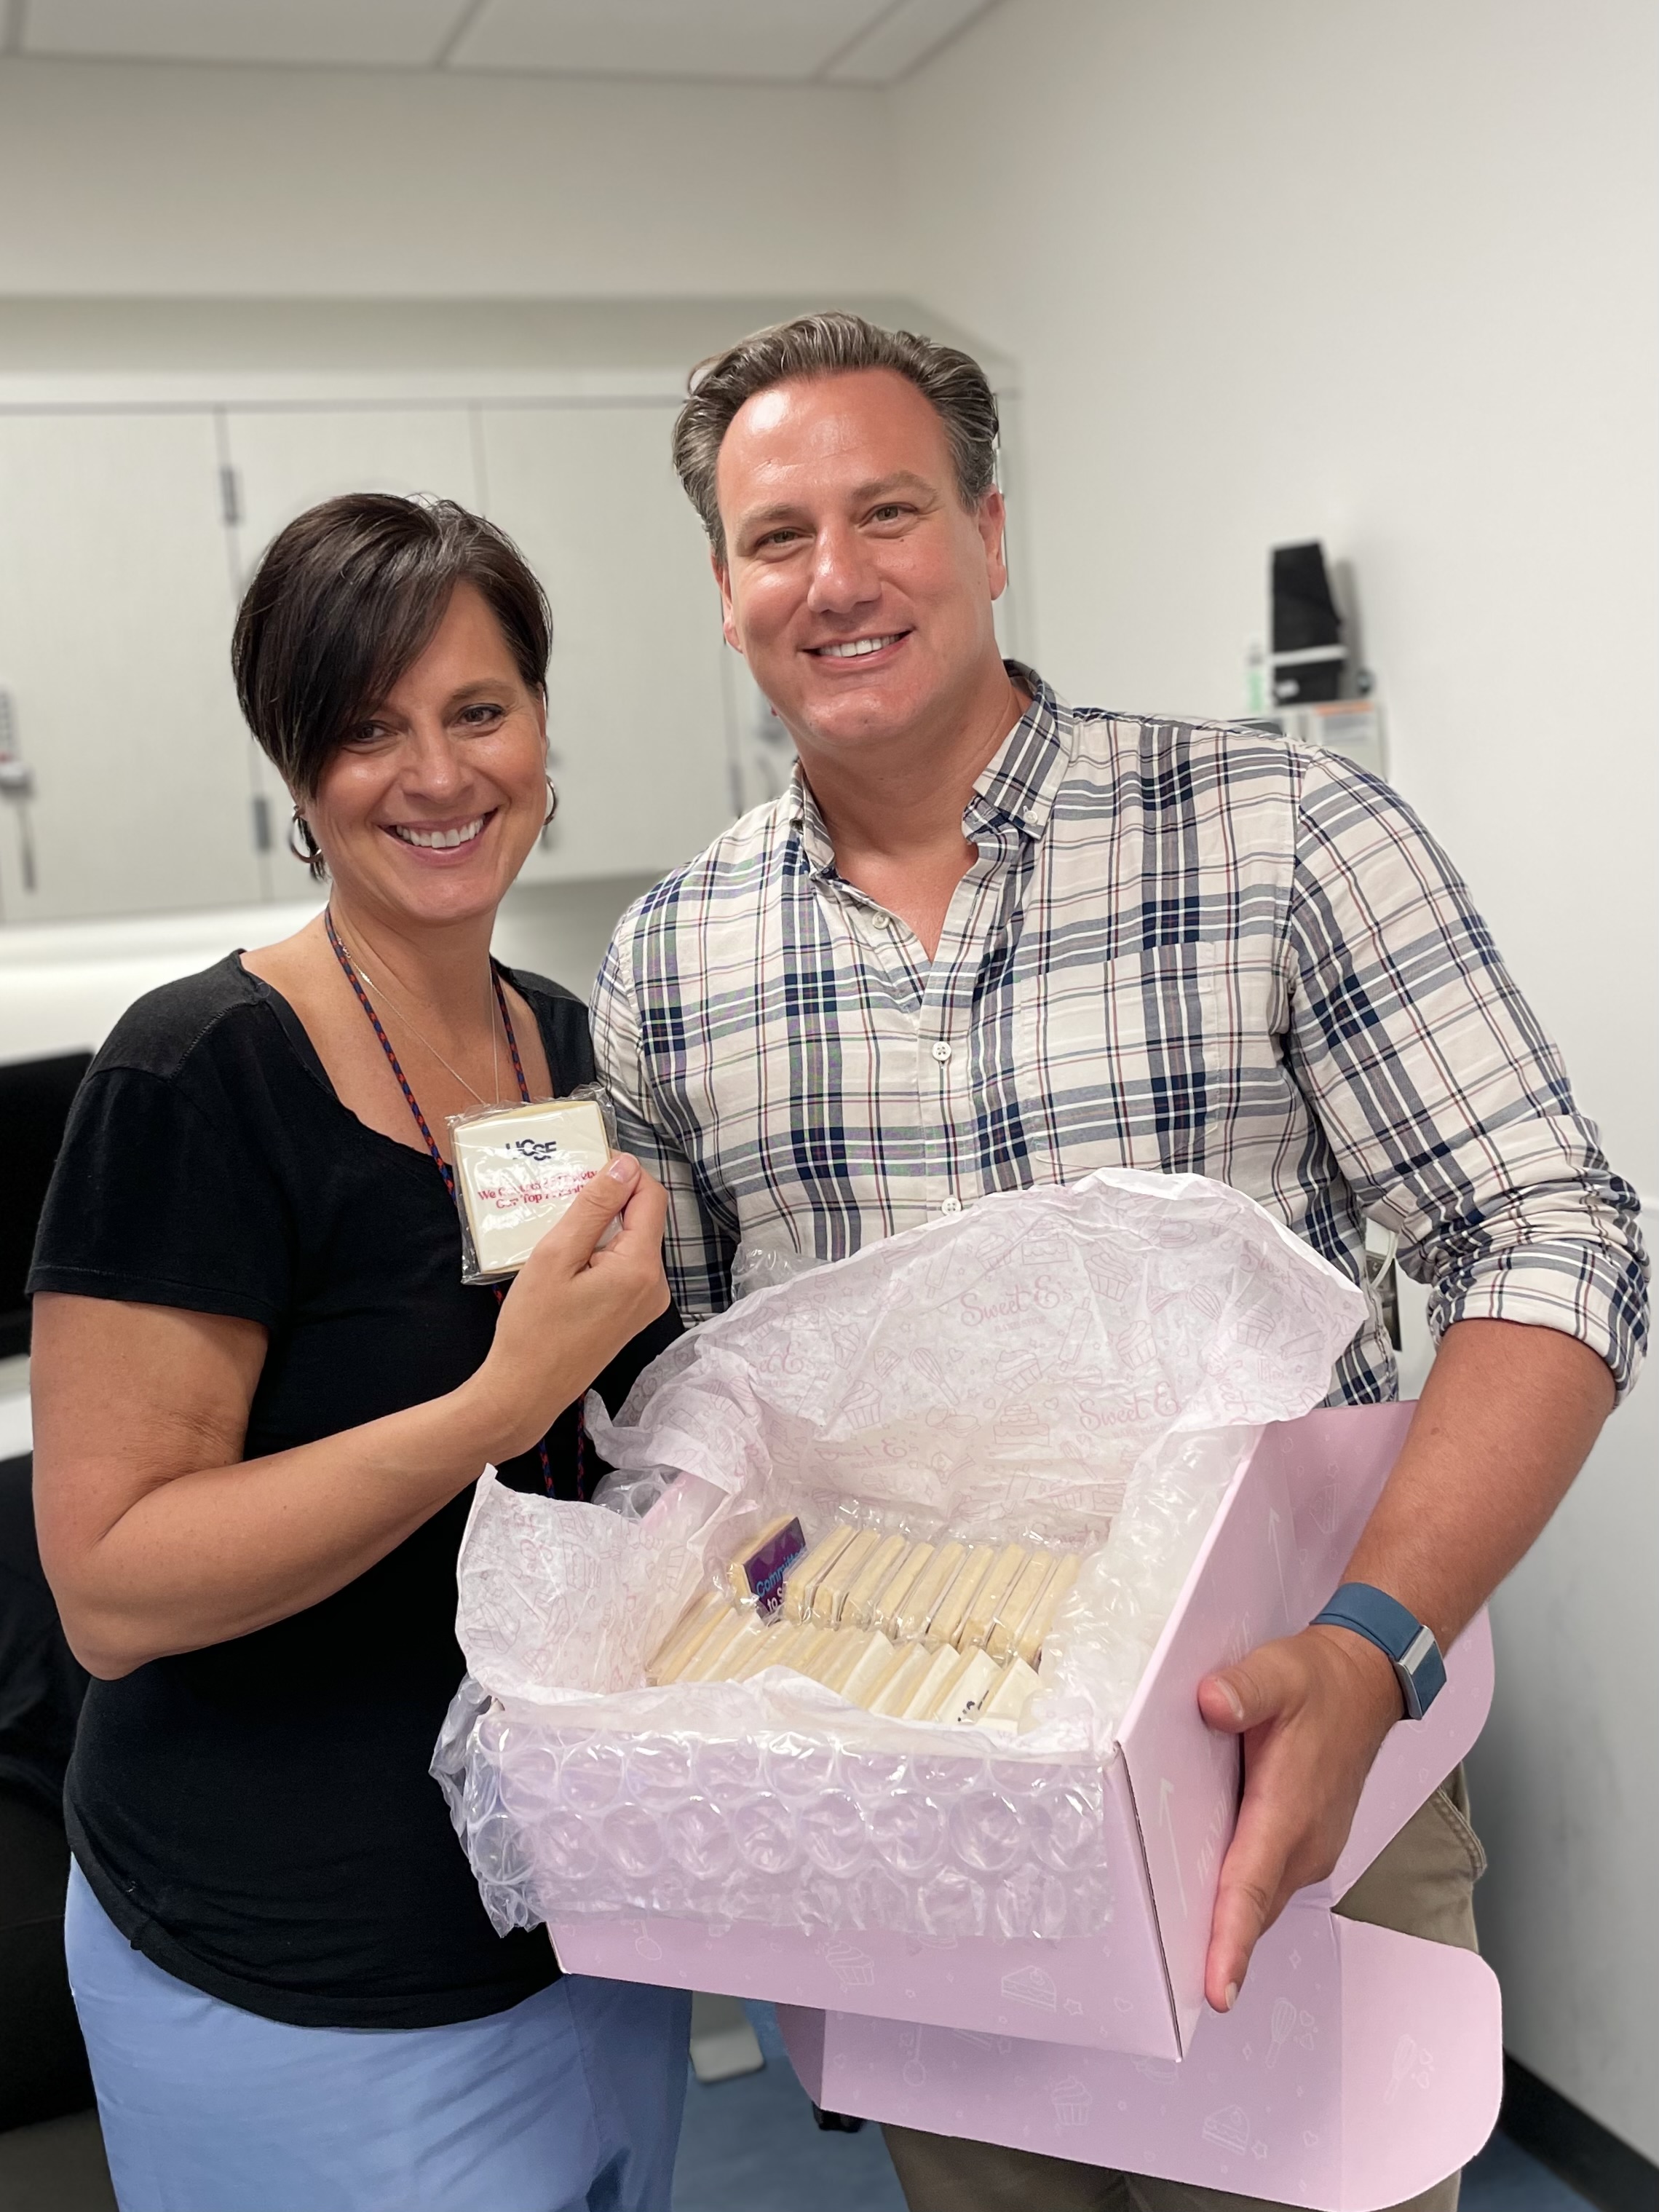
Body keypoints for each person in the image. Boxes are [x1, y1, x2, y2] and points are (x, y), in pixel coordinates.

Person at [590, 314, 1649, 2212]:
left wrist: (1373, 1641)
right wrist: (783, 1663)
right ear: (724, 586)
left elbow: (1555, 1238)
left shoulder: (1280, 833)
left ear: (992, 529)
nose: (835, 577)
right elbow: (695, 1429)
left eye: (889, 510)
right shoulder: (678, 962)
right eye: (775, 536)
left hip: (1288, 1766)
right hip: (918, 1845)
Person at [29, 495, 690, 2212]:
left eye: (478, 711)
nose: (437, 774)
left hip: (574, 1918)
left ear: (543, 728)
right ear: (296, 766)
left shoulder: (556, 1037)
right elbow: (107, 1581)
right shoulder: (197, 1074)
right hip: (297, 1971)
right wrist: (493, 1401)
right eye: (365, 730)